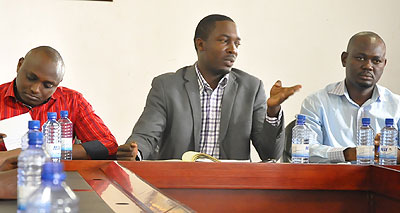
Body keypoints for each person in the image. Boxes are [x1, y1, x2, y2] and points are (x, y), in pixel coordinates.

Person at [117, 14, 301, 161]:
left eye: (237, 44)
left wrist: (272, 110)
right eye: (224, 41)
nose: (233, 49)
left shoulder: (251, 88)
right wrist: (136, 152)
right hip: (178, 186)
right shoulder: (167, 86)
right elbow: (146, 135)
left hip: (232, 191)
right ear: (200, 44)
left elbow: (270, 154)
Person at [0, 46, 118, 160]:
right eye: (31, 78)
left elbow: (108, 144)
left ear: (58, 83)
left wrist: (49, 151)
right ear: (19, 65)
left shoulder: (73, 101)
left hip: (59, 176)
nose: (35, 89)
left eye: (47, 85)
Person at [300, 31, 400, 163]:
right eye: (360, 58)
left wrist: (392, 153)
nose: (368, 66)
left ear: (384, 64)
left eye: (376, 61)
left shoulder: (397, 106)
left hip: (382, 182)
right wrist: (347, 154)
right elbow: (305, 151)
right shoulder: (316, 102)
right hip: (331, 181)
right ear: (344, 59)